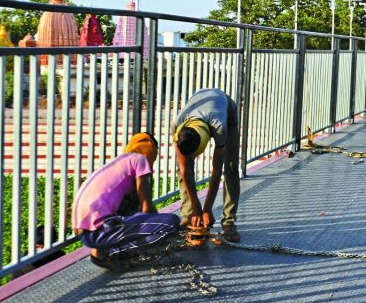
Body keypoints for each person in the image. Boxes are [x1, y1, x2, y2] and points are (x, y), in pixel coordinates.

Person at [74, 133, 180, 269]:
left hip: (84, 231)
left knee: (135, 213)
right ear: (150, 150)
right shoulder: (139, 160)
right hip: (98, 232)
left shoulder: (120, 162)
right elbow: (147, 209)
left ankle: (101, 251)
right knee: (171, 224)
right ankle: (111, 252)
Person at [172, 88, 241, 242]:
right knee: (182, 168)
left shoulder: (219, 126)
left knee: (230, 167)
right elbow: (184, 170)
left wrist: (207, 209)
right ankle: (189, 216)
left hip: (227, 114)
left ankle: (228, 222)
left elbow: (216, 172)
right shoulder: (177, 126)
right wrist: (197, 208)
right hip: (201, 110)